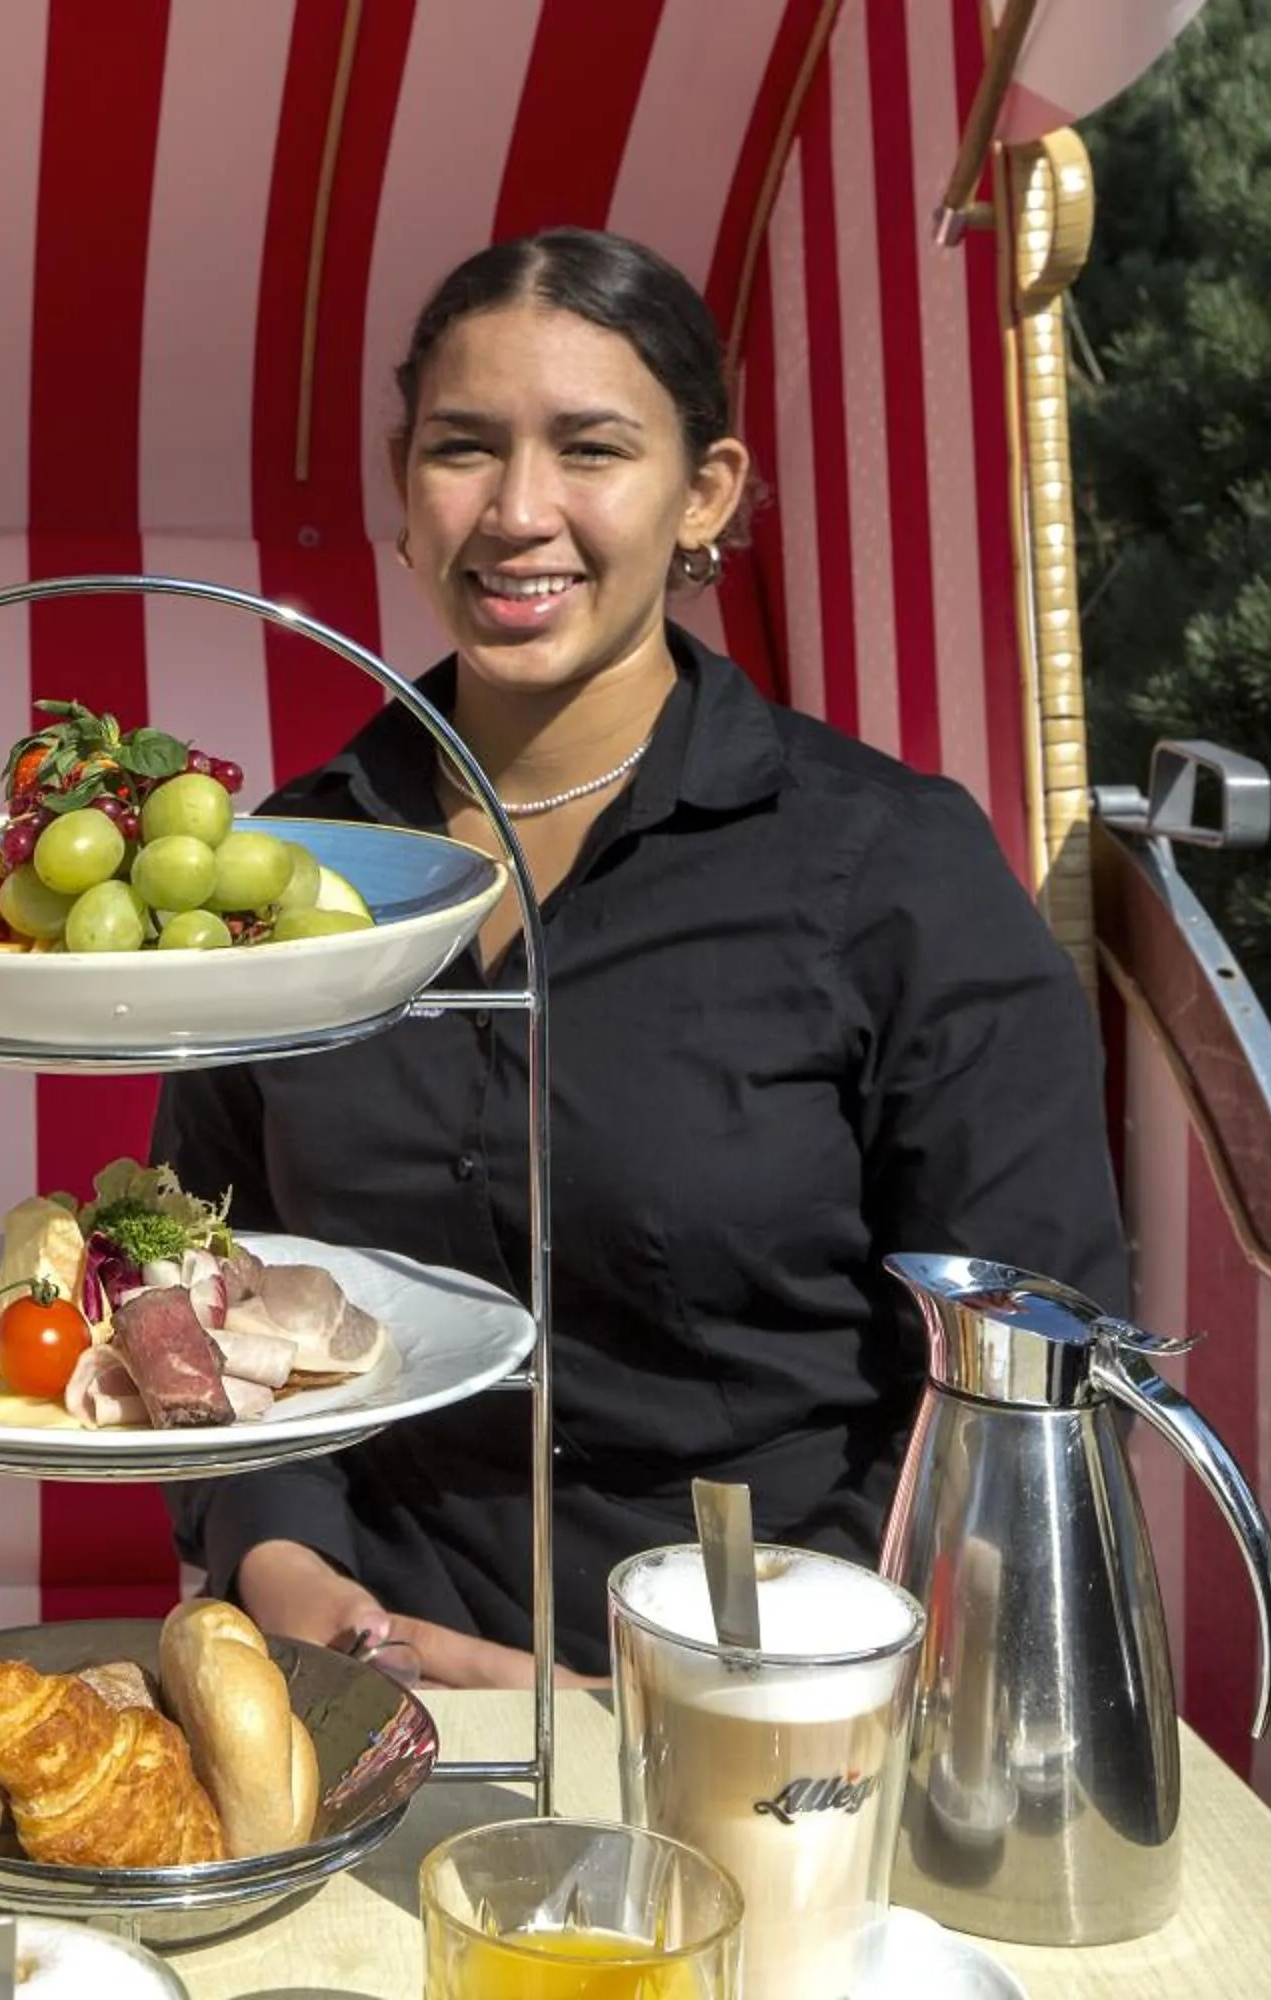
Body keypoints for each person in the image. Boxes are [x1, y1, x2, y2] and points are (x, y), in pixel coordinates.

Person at [155, 228, 1129, 1690]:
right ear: (402, 487)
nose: (519, 511)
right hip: (357, 1700)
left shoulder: (891, 870)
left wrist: (693, 1696)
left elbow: (1040, 1377)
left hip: (790, 1737)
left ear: (704, 495)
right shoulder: (290, 872)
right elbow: (204, 1284)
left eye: (592, 449)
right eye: (464, 450)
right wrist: (300, 1586)